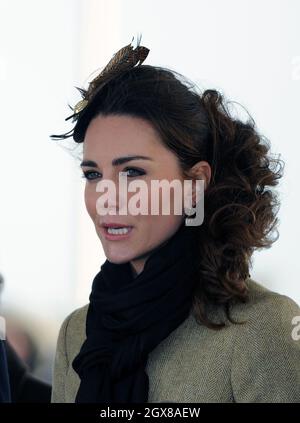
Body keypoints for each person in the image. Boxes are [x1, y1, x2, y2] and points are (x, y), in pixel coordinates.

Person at [49, 36, 300, 403]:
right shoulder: (76, 333)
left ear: (195, 182)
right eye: (93, 174)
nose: (108, 197)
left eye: (132, 172)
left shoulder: (264, 327)